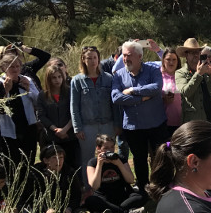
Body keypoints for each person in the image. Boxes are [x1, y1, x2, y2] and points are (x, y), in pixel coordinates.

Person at [111, 40, 168, 195]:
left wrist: (132, 90)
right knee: (139, 160)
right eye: (123, 55)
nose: (125, 59)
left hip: (156, 124)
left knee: (159, 158)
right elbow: (116, 98)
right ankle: (144, 190)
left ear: (140, 56)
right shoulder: (119, 75)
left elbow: (156, 87)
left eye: (129, 55)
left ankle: (161, 188)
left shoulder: (152, 70)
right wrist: (141, 98)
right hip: (133, 127)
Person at [70, 45, 116, 185]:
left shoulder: (109, 78)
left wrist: (117, 124)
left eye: (95, 57)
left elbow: (115, 104)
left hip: (107, 124)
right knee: (88, 159)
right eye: (89, 58)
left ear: (99, 59)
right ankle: (88, 189)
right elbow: (74, 106)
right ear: (83, 60)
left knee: (109, 156)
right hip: (87, 126)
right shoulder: (77, 80)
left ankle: (110, 184)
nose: (92, 61)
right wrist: (77, 128)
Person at [83, 134, 146, 213]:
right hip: (104, 198)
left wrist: (119, 164)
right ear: (98, 149)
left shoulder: (120, 159)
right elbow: (94, 186)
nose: (110, 150)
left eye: (112, 147)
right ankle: (126, 212)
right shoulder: (93, 163)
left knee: (142, 195)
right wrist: (99, 165)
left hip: (122, 196)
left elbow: (130, 180)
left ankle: (110, 212)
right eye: (106, 148)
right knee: (90, 201)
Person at [26, 144, 82, 213]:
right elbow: (32, 197)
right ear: (45, 160)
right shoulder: (35, 174)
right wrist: (46, 209)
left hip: (65, 207)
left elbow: (76, 194)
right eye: (54, 158)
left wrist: (69, 207)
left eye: (61, 157)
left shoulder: (69, 172)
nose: (59, 161)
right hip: (43, 209)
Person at [0, 52, 40, 165]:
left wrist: (28, 90)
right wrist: (6, 91)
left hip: (28, 127)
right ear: (3, 67)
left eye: (17, 66)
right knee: (12, 162)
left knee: (28, 161)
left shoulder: (26, 80)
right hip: (9, 130)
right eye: (11, 66)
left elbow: (39, 101)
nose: (15, 69)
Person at [36, 62, 80, 172]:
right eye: (54, 78)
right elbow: (41, 115)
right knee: (53, 167)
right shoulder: (42, 95)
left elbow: (75, 112)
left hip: (69, 136)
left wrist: (65, 129)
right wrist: (55, 129)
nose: (57, 80)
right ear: (48, 79)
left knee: (72, 166)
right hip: (51, 137)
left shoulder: (70, 91)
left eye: (59, 77)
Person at [175, 41, 211, 126]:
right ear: (186, 55)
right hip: (194, 121)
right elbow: (185, 92)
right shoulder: (180, 73)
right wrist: (198, 74)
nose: (196, 55)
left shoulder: (206, 69)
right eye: (192, 52)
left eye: (197, 52)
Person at [160, 47, 183, 137]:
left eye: (174, 59)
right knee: (168, 146)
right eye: (168, 59)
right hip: (164, 122)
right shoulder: (158, 76)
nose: (171, 62)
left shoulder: (182, 75)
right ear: (163, 61)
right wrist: (163, 99)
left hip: (181, 121)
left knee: (179, 147)